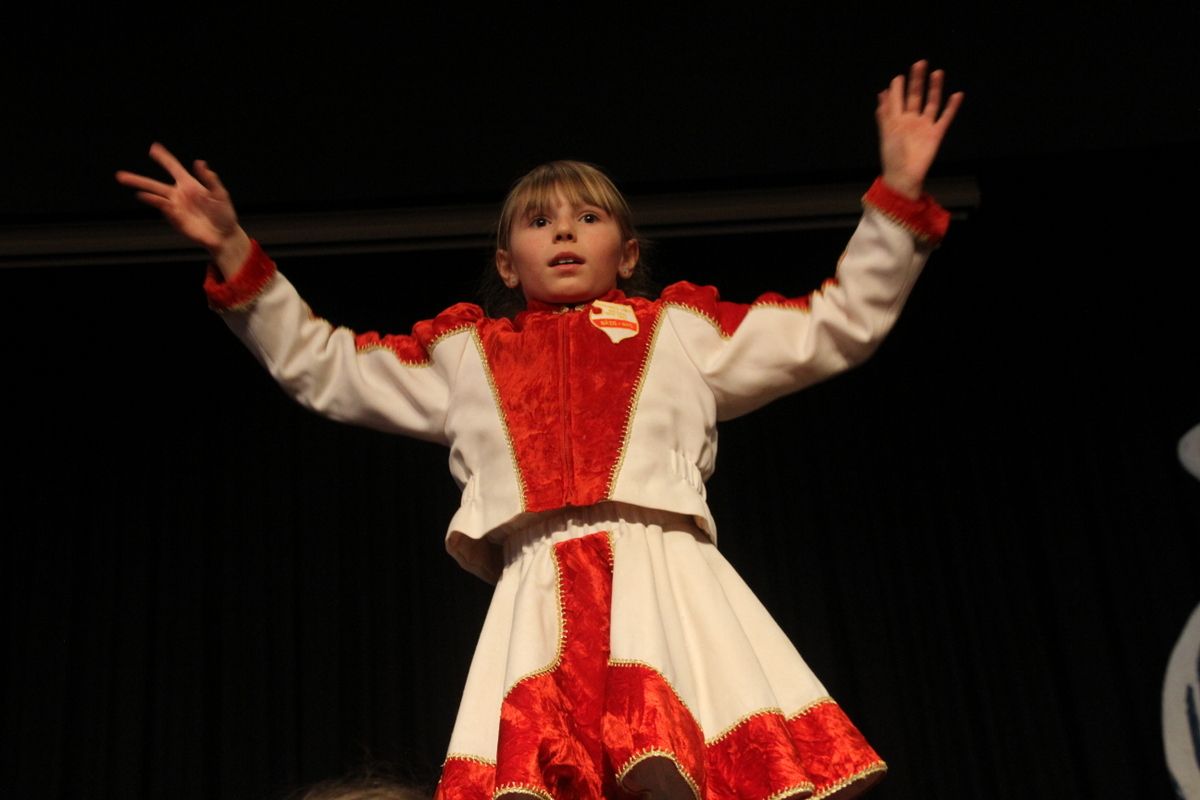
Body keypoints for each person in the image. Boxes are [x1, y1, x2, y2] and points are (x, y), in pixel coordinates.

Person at [117, 61, 962, 800]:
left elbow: (837, 323)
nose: (563, 230)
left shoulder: (680, 332)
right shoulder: (465, 356)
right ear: (505, 262)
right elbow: (322, 364)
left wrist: (897, 195)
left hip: (663, 578)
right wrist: (233, 247)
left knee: (687, 764)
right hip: (536, 594)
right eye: (539, 220)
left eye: (588, 217)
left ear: (627, 253)